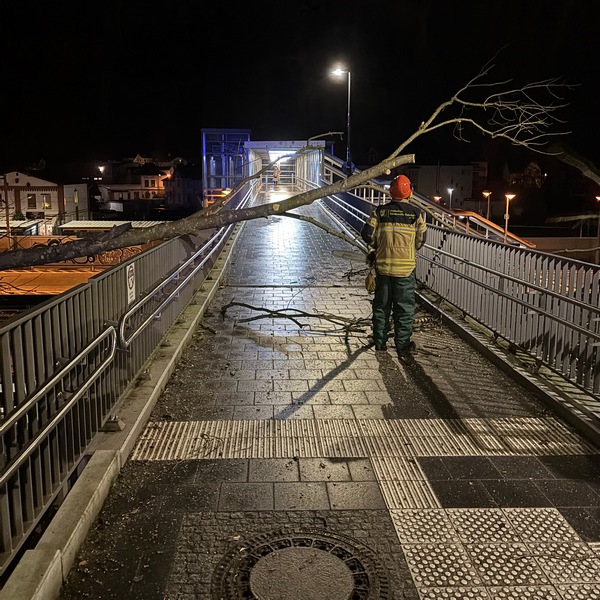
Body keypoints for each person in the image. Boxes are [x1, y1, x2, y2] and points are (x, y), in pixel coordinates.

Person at [360, 174, 427, 358]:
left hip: (383, 267)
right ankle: (402, 346)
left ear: (391, 192)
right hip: (405, 270)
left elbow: (366, 234)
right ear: (410, 192)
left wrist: (377, 246)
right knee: (404, 309)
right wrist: (409, 250)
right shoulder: (416, 214)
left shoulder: (380, 212)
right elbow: (421, 239)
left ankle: (380, 343)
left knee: (381, 306)